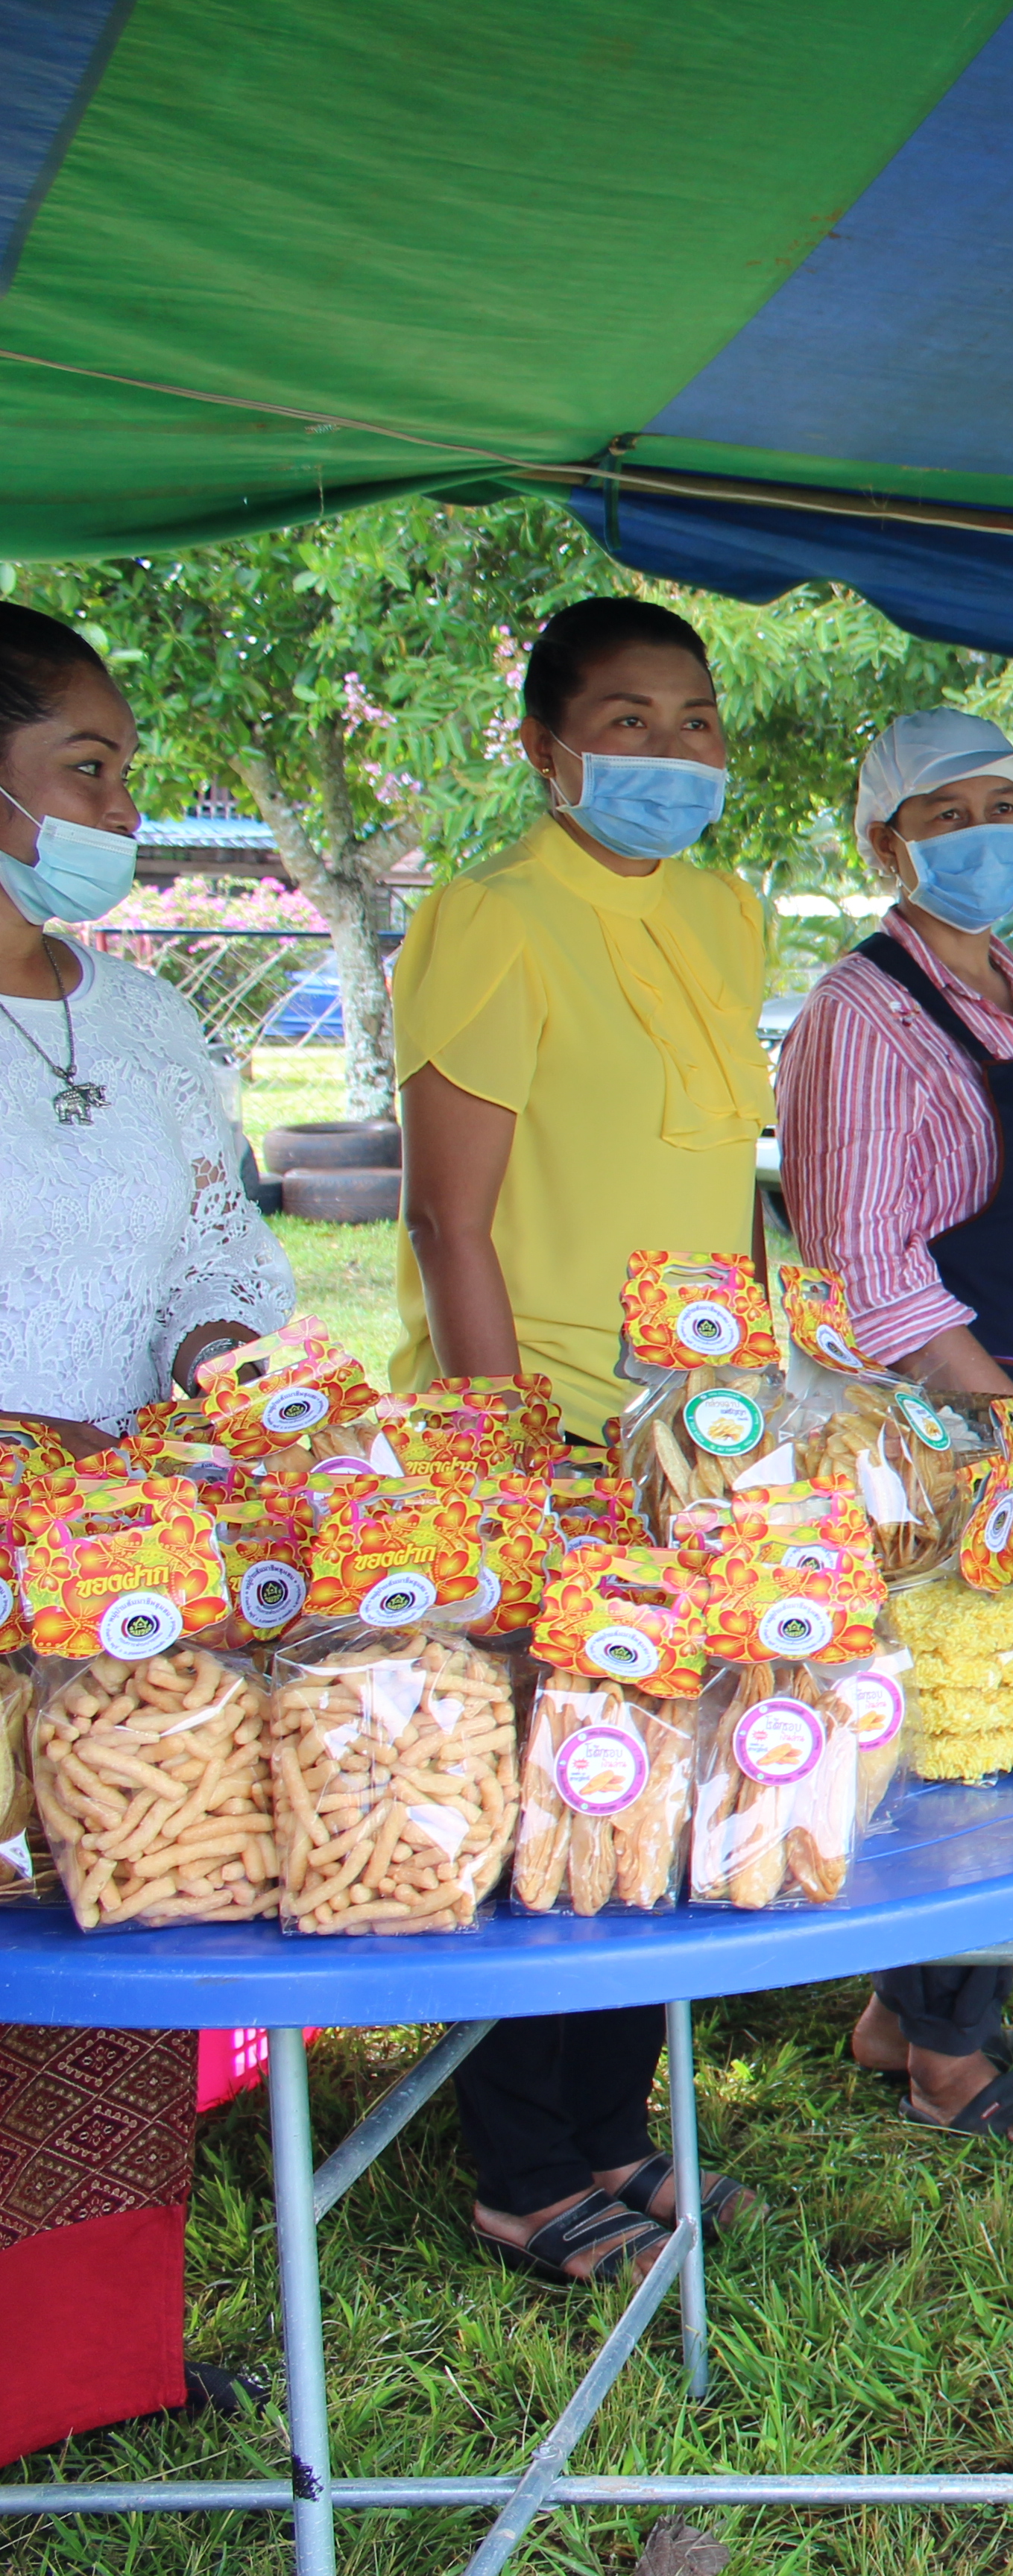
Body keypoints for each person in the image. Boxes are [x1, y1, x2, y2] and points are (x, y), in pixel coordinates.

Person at [395, 594, 771, 2283]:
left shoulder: (726, 908)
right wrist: (503, 1455)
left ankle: (617, 2128)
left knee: (656, 1778)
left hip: (692, 1434)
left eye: (693, 719)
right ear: (545, 747)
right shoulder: (491, 919)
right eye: (627, 720)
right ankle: (519, 2161)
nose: (670, 752)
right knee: (545, 1777)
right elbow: (444, 1220)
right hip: (532, 1423)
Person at [0, 603, 290, 2455]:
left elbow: (216, 1244)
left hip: (126, 1567)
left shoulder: (148, 1007)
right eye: (86, 764)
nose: (125, 796)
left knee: (100, 1934)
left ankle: (83, 2369)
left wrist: (220, 1355)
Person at [781, 706, 1013, 2147]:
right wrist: (1007, 1424)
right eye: (950, 815)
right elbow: (866, 1260)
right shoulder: (859, 1012)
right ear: (886, 845)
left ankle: (905, 2010)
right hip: (952, 1416)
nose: (990, 834)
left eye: (1005, 805)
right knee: (967, 1718)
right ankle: (950, 2054)